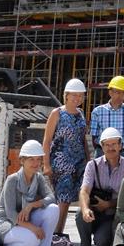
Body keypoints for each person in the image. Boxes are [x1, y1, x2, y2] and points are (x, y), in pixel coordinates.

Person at [0, 139, 59, 246]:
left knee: (53, 209)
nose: (36, 163)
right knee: (33, 240)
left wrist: (32, 205)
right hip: (7, 223)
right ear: (22, 161)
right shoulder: (12, 180)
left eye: (38, 159)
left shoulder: (38, 178)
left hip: (26, 218)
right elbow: (10, 214)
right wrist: (33, 228)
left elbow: (51, 198)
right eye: (31, 159)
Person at [76, 126, 124, 246]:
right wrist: (85, 209)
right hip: (95, 211)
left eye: (114, 144)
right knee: (80, 214)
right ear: (101, 147)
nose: (110, 148)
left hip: (114, 215)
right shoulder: (92, 165)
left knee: (101, 240)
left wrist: (108, 204)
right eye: (107, 145)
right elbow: (84, 191)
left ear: (120, 145)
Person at [43, 77, 88, 234]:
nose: (77, 98)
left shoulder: (81, 114)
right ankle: (57, 234)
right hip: (61, 163)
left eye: (80, 95)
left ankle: (58, 234)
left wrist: (88, 160)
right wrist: (46, 165)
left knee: (68, 201)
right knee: (62, 200)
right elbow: (47, 140)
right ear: (66, 95)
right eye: (74, 95)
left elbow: (83, 139)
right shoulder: (57, 113)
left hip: (79, 163)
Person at [90, 75, 124, 159]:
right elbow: (94, 136)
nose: (121, 95)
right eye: (118, 92)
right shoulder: (98, 112)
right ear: (110, 92)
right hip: (102, 153)